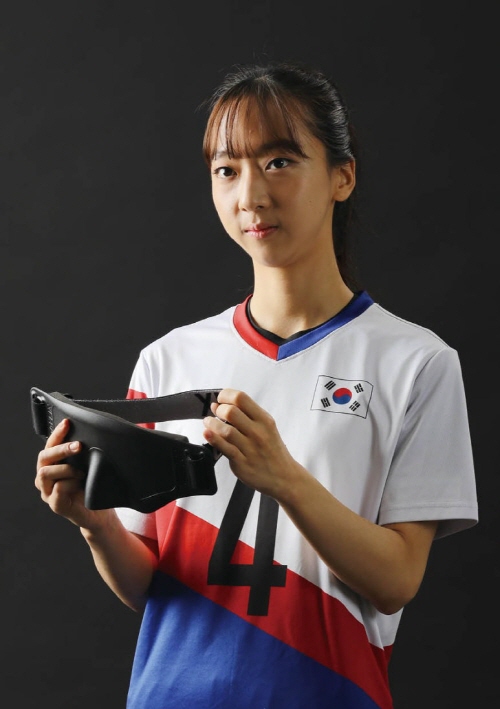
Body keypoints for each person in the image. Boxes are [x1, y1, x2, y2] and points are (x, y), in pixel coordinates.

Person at [35, 60, 478, 709]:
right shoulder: (168, 359)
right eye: (227, 169)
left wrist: (284, 477)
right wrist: (93, 521)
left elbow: (397, 581)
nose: (250, 195)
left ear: (342, 176)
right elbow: (148, 586)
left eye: (279, 162)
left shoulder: (417, 362)